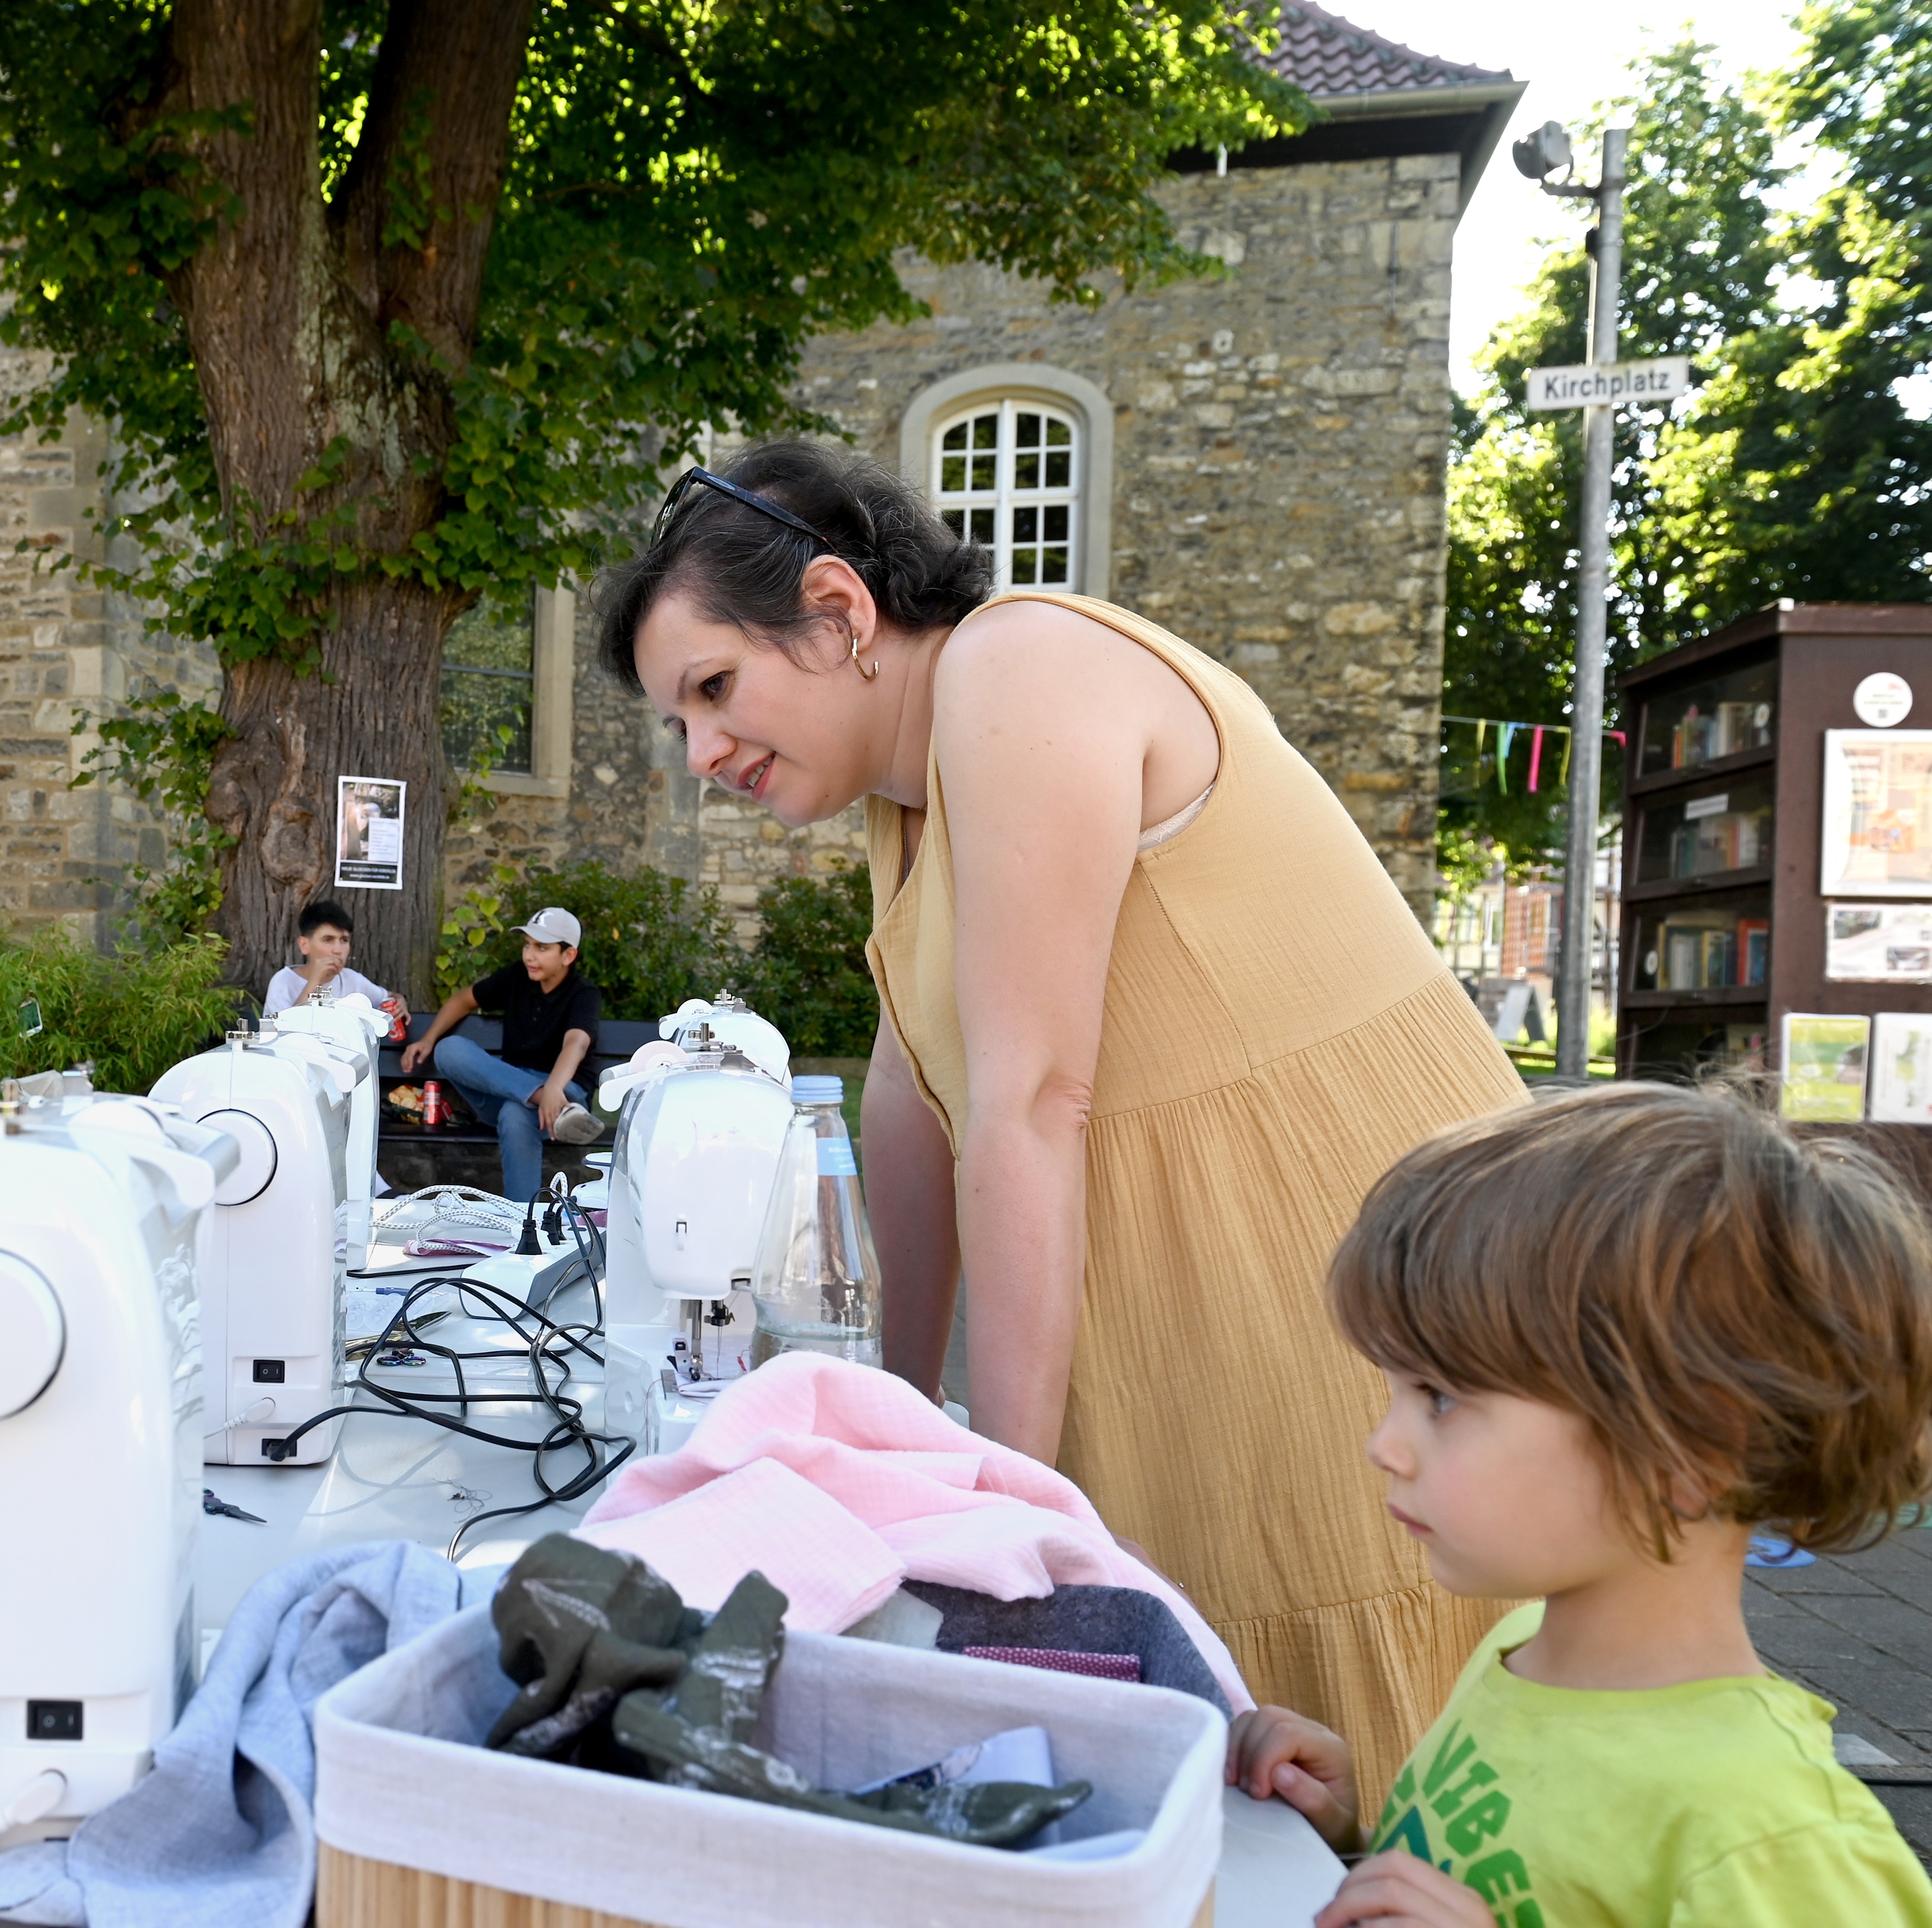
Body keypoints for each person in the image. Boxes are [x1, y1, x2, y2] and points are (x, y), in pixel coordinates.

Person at [604, 441, 1526, 1799]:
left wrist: (995, 1509)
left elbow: (1033, 1097)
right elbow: (915, 1105)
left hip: (1345, 1279)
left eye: (716, 688)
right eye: (678, 721)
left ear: (842, 610)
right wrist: (892, 1435)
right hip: (1203, 1293)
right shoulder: (906, 808)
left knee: (1377, 1786)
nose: (702, 752)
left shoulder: (1019, 664)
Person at [1232, 1084, 1932, 1928]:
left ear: (1692, 1445)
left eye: (1440, 1396)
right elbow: (1531, 1921)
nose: (1384, 1442)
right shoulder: (1526, 1650)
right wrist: (1347, 1836)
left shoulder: (1762, 1831)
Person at [399, 906, 605, 1203]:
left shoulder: (584, 993)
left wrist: (554, 1088)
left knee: (514, 1113)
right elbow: (464, 1000)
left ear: (568, 956)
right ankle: (539, 1098)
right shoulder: (517, 977)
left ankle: (522, 1220)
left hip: (565, 1091)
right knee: (449, 1049)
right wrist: (429, 1039)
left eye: (542, 948)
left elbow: (576, 1043)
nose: (529, 956)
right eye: (527, 945)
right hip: (521, 1091)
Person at [262, 899, 406, 1018]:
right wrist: (316, 981)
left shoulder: (353, 981)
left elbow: (388, 997)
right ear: (305, 945)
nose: (338, 950)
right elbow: (282, 1035)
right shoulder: (284, 982)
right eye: (328, 940)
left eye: (344, 940)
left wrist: (400, 1001)